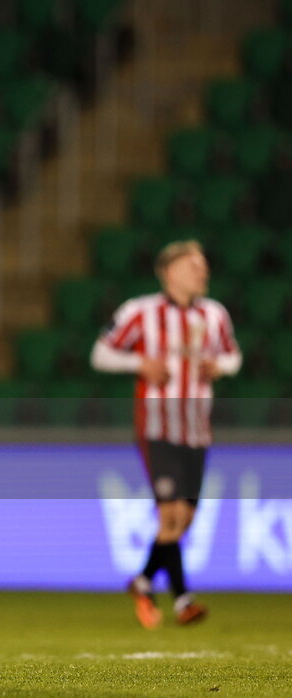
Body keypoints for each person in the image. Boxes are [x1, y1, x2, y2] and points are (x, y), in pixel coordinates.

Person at [91, 239, 241, 629]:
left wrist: (219, 367)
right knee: (170, 512)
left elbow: (233, 354)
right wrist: (141, 362)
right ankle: (183, 600)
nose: (203, 272)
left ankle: (143, 582)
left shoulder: (214, 314)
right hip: (158, 426)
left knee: (183, 520)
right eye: (195, 266)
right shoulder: (140, 311)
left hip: (197, 430)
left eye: (204, 266)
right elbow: (101, 352)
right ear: (170, 272)